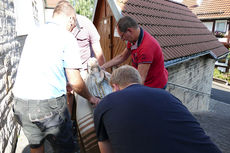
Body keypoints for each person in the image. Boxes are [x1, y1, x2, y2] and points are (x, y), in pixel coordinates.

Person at [12, 1, 99, 153]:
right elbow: (75, 81)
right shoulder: (66, 37)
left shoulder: (34, 33)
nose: (73, 29)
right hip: (47, 107)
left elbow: (42, 65)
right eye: (73, 25)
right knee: (66, 149)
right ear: (71, 19)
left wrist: (61, 82)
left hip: (20, 103)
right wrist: (91, 98)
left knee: (36, 146)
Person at [94, 65, 222, 153]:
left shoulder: (105, 104)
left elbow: (105, 148)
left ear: (115, 87)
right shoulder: (167, 95)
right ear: (139, 82)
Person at [101, 16, 168, 89]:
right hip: (144, 79)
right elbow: (122, 56)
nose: (123, 39)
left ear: (129, 30)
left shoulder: (146, 48)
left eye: (122, 36)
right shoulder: (134, 40)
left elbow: (140, 80)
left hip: (155, 86)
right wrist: (103, 67)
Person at [66, 13, 106, 116]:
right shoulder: (60, 27)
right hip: (67, 68)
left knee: (89, 94)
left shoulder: (87, 24)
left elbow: (98, 52)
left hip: (85, 68)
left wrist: (103, 74)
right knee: (69, 93)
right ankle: (71, 122)